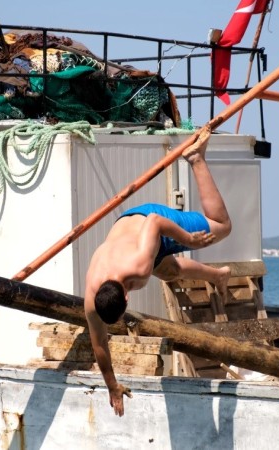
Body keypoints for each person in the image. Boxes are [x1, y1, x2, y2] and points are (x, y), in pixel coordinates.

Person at [84, 129, 232, 416]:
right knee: (169, 271)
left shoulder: (137, 266)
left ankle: (196, 159)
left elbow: (155, 222)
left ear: (126, 298)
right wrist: (112, 385)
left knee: (221, 226)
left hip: (149, 222)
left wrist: (190, 241)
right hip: (132, 235)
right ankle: (218, 276)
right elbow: (99, 344)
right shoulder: (92, 302)